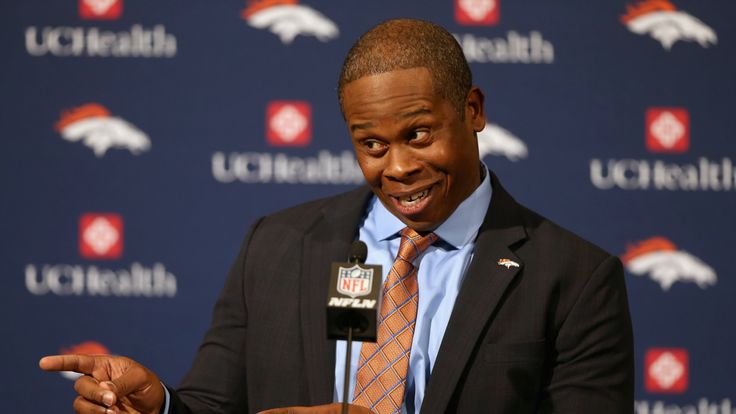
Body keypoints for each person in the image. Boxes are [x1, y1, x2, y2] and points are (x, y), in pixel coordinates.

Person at [40, 19, 634, 414]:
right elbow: (214, 404)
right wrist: (162, 407)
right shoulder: (277, 244)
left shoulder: (576, 278)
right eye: (372, 144)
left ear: (473, 110)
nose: (397, 166)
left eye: (419, 133)